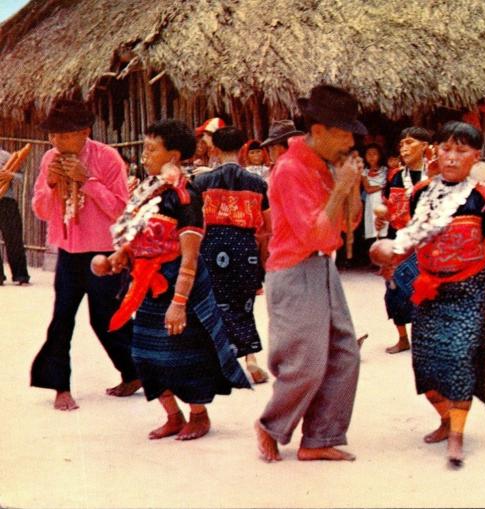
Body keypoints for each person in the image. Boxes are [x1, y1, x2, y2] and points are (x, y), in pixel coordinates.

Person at [97, 119, 250, 440]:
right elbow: (137, 236)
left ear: (174, 155)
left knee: (184, 355)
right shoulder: (148, 190)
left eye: (152, 149)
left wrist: (179, 303)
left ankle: (199, 415)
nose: (144, 155)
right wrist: (118, 257)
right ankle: (173, 415)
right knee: (144, 354)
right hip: (148, 283)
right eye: (145, 148)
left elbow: (190, 256)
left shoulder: (185, 197)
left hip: (181, 283)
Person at [369, 121, 485, 468]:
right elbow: (410, 241)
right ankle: (446, 420)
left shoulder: (484, 201)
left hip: (470, 291)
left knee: (459, 359)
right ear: (436, 152)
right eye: (446, 149)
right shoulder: (420, 195)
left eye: (462, 151)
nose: (452, 157)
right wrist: (387, 255)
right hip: (430, 289)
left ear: (476, 157)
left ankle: (458, 435)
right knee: (426, 367)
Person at [255, 84, 363, 463]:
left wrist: (350, 189)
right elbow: (313, 230)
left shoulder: (324, 166)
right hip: (294, 270)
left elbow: (348, 225)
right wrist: (342, 188)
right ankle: (270, 426)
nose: (350, 140)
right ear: (318, 131)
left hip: (322, 266)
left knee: (345, 354)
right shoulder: (289, 169)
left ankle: (320, 436)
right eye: (344, 132)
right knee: (305, 362)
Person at [30, 99, 140, 411]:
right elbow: (40, 209)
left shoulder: (107, 158)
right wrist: (51, 184)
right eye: (53, 135)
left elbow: (121, 209)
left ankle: (135, 372)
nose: (57, 142)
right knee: (61, 319)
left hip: (104, 251)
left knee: (106, 318)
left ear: (84, 133)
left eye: (64, 136)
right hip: (69, 251)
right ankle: (60, 386)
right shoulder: (50, 158)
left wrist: (87, 180)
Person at [193, 126, 271, 383]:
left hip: (212, 245)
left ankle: (221, 361)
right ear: (243, 150)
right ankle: (250, 359)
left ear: (214, 149)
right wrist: (263, 261)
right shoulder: (258, 184)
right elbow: (267, 228)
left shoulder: (202, 181)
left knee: (214, 303)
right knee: (244, 302)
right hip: (245, 246)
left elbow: (193, 223)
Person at [377, 126, 434, 354]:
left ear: (425, 147)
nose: (404, 147)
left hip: (426, 244)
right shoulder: (396, 177)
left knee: (426, 292)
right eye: (402, 143)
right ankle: (402, 338)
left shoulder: (435, 177)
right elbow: (388, 206)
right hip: (398, 240)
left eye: (410, 142)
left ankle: (425, 338)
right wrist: (383, 218)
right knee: (394, 289)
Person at [0, 148, 31, 285]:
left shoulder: (7, 156)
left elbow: (22, 177)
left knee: (14, 239)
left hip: (7, 202)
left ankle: (21, 275)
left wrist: (11, 175)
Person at [361, 144, 388, 244]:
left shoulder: (385, 170)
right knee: (372, 227)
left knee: (384, 227)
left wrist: (383, 187)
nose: (371, 156)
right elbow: (368, 189)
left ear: (379, 156)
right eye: (369, 154)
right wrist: (382, 186)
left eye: (374, 154)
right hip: (371, 202)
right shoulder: (364, 171)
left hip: (383, 201)